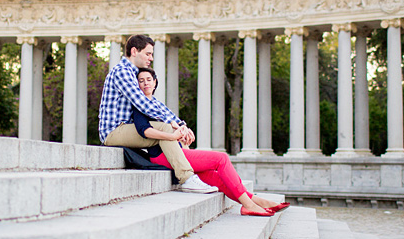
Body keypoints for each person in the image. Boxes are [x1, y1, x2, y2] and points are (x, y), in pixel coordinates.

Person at [134, 66, 290, 217]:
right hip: (163, 155)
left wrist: (183, 131)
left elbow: (174, 124)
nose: (146, 83)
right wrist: (173, 136)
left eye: (149, 79)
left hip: (178, 151)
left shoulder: (158, 105)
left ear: (155, 82)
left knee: (217, 178)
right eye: (141, 80)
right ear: (137, 85)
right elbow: (144, 130)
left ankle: (256, 201)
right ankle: (249, 205)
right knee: (221, 159)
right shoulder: (139, 105)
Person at [99, 34, 218, 193]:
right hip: (113, 132)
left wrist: (180, 125)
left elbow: (153, 105)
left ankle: (191, 173)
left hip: (126, 129)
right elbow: (143, 104)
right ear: (134, 51)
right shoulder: (122, 72)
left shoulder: (133, 73)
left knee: (171, 130)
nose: (151, 58)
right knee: (166, 129)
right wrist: (175, 123)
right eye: (148, 54)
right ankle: (187, 178)